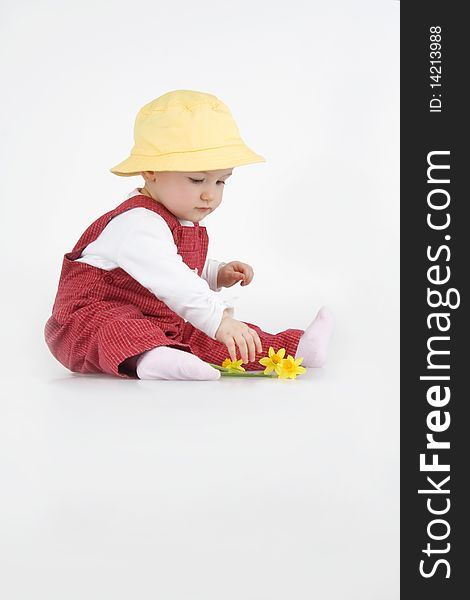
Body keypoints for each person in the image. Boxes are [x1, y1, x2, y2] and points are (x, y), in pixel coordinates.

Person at [44, 90, 334, 380]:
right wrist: (218, 319)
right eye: (197, 180)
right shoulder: (137, 223)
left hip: (160, 317)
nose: (210, 194)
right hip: (86, 321)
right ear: (150, 171)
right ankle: (151, 359)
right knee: (120, 326)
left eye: (221, 181)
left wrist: (215, 272)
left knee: (213, 335)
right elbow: (172, 278)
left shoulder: (177, 219)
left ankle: (295, 349)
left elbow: (179, 268)